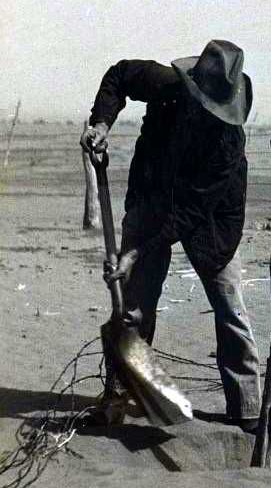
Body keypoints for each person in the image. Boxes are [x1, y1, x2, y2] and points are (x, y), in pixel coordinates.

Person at [80, 40, 261, 431]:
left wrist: (137, 251)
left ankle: (247, 411)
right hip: (153, 197)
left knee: (231, 309)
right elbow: (119, 74)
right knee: (133, 309)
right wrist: (100, 123)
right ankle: (124, 392)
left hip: (212, 215)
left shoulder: (229, 143)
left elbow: (191, 210)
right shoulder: (164, 85)